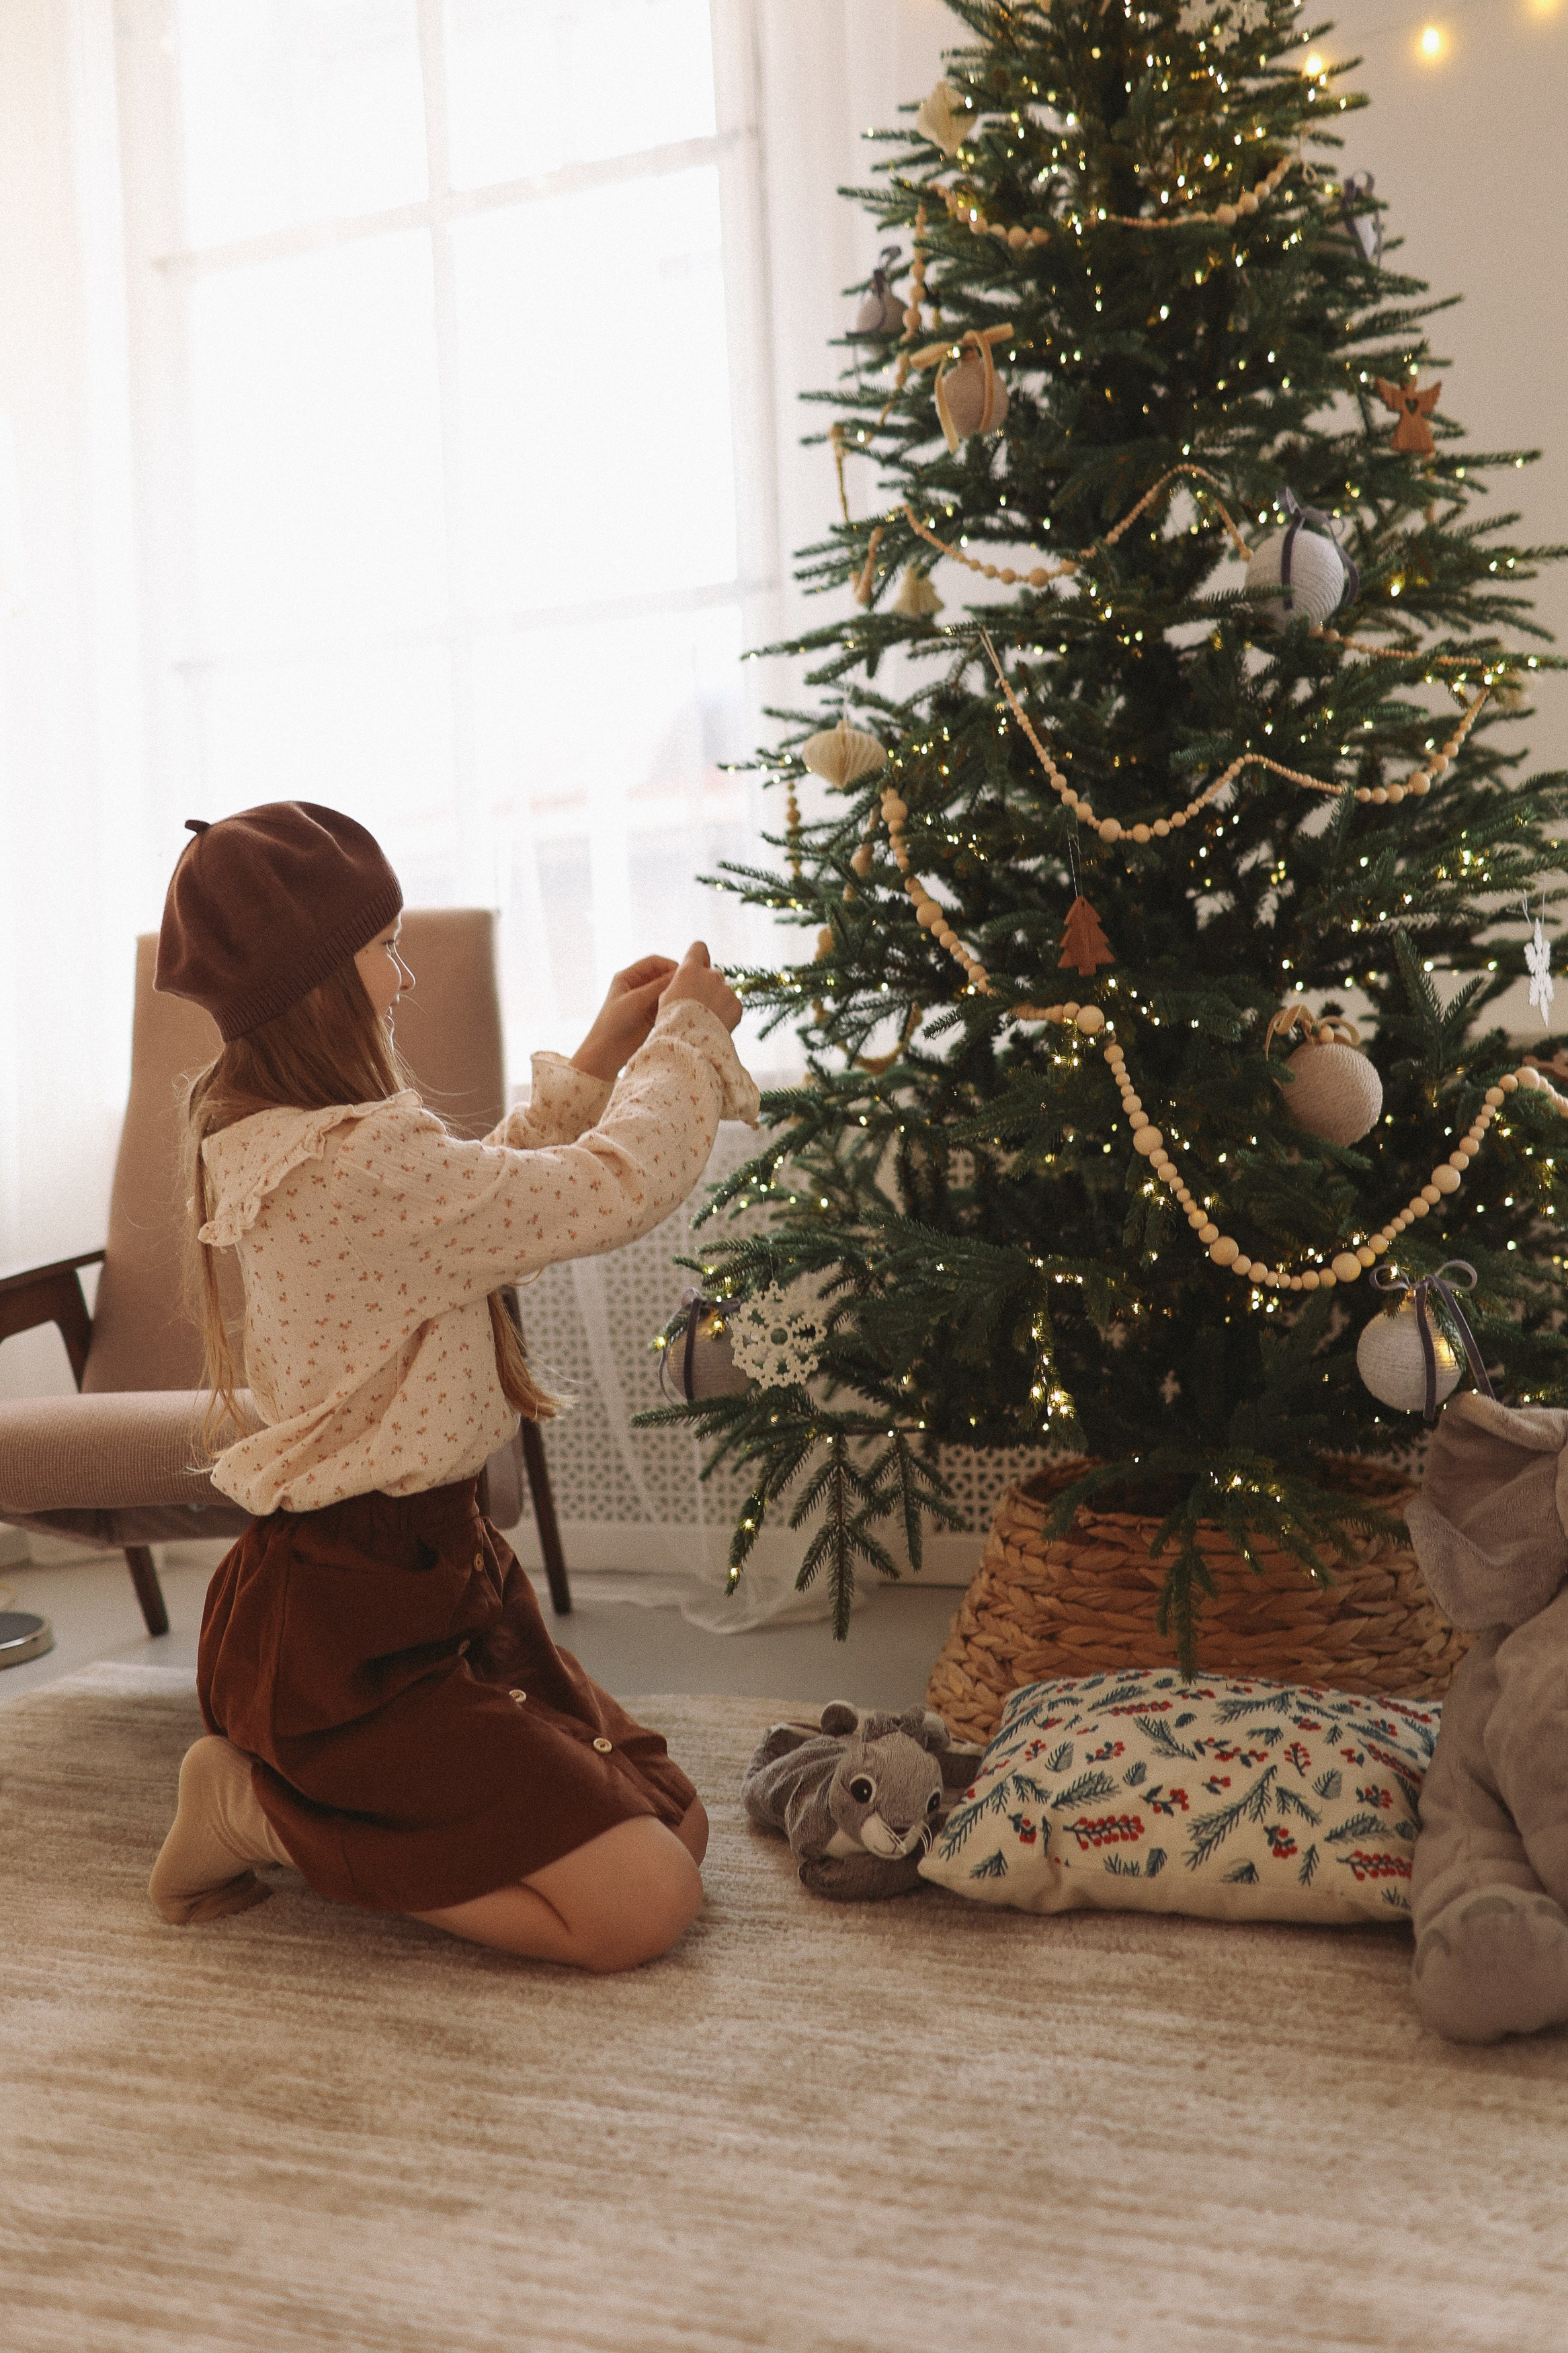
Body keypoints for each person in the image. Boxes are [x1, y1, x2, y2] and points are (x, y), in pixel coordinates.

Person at [146, 801, 757, 1972]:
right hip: (350, 1621)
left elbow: (481, 1200)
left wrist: (596, 1061)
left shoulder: (324, 1144)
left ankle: (305, 1805)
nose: (405, 977)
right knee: (644, 1907)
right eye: (385, 948)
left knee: (673, 1817)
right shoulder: (347, 1164)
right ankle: (247, 1811)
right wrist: (682, 1041)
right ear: (322, 977)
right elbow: (609, 1188)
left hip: (435, 1577)